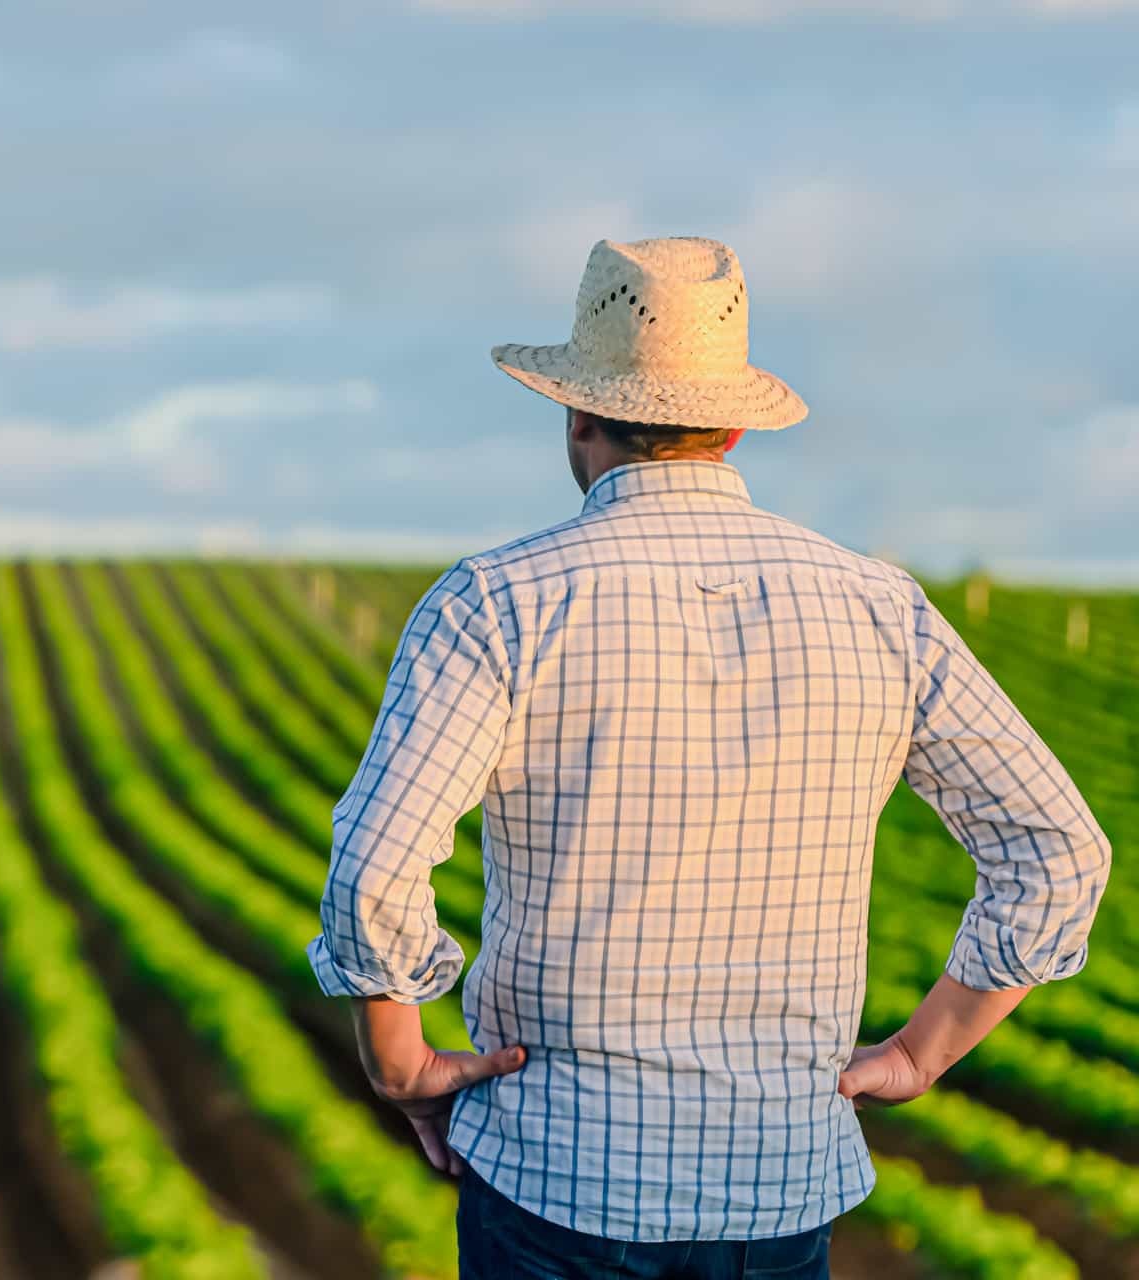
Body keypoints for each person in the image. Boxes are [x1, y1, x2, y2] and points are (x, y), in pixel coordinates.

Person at [306, 236, 1112, 1279]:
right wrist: (922, 1049)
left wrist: (403, 1060)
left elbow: (373, 873)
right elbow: (1059, 852)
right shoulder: (879, 607)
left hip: (557, 1177)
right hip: (779, 1184)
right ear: (734, 425)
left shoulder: (495, 602)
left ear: (577, 410)